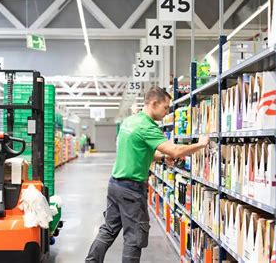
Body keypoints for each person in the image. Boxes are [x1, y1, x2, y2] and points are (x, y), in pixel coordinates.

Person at [85, 87, 209, 263]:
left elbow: (138, 151)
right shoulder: (147, 126)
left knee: (108, 229)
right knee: (134, 238)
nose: (167, 113)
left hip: (115, 184)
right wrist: (200, 144)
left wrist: (161, 158)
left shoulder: (130, 122)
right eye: (165, 108)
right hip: (131, 188)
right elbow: (175, 151)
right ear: (154, 103)